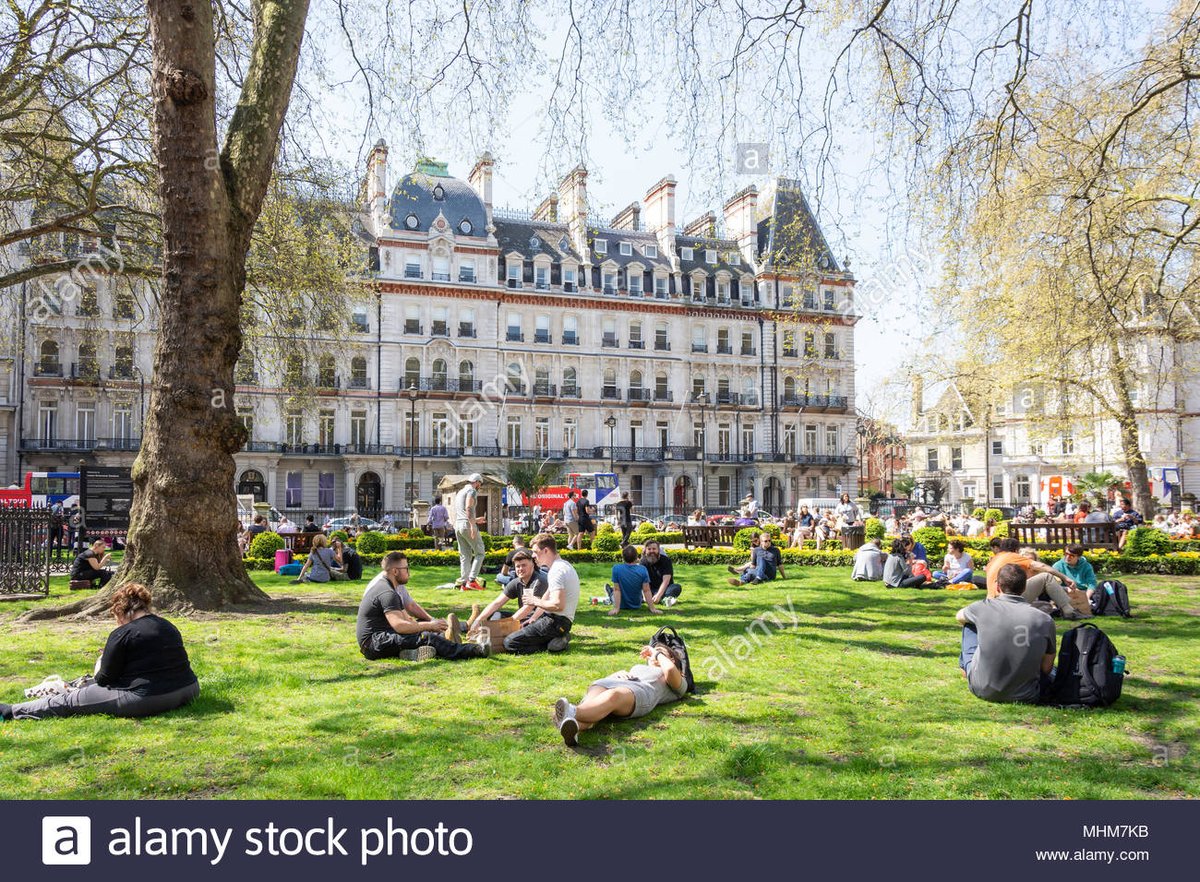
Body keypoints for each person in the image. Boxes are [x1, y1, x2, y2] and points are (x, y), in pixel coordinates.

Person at [2, 583, 199, 721]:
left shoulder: (122, 633)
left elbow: (104, 679)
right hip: (188, 689)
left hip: (149, 697)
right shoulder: (167, 625)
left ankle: (11, 711)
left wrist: (101, 660)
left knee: (69, 701)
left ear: (121, 610)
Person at [356, 552, 489, 661]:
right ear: (395, 571)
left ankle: (414, 651)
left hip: (383, 637)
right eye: (406, 569)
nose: (409, 572)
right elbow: (400, 626)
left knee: (422, 626)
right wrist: (430, 626)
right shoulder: (387, 592)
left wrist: (429, 623)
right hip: (373, 643)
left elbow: (407, 617)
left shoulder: (390, 587)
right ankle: (473, 650)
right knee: (427, 636)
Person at [552, 641, 689, 747]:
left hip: (639, 691)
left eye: (660, 653)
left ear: (671, 659)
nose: (653, 656)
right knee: (595, 697)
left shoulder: (678, 680)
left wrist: (656, 652)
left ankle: (571, 711)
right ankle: (573, 725)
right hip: (613, 682)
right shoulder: (642, 667)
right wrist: (616, 674)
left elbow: (670, 669)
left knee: (614, 696)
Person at [956, 563, 1056, 704]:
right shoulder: (1044, 619)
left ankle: (968, 670)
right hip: (1027, 693)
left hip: (983, 689)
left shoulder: (982, 607)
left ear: (997, 586)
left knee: (969, 624)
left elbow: (959, 616)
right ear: (1024, 587)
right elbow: (1046, 667)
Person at [504, 533, 578, 653]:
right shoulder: (563, 566)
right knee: (521, 630)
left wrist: (534, 600)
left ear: (546, 551)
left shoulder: (556, 571)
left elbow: (558, 605)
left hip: (556, 622)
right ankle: (556, 640)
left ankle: (554, 643)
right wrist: (534, 617)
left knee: (510, 643)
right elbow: (547, 595)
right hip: (557, 621)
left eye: (535, 551)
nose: (533, 555)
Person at [984, 537, 1090, 619]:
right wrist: (1065, 578)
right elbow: (1042, 566)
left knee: (1044, 606)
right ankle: (1069, 612)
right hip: (1006, 601)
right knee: (1046, 577)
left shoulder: (994, 559)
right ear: (1016, 550)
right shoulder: (1013, 556)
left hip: (992, 604)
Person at [470, 548, 548, 626]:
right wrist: (478, 620)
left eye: (524, 565)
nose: (520, 569)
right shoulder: (517, 582)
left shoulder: (539, 581)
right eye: (518, 566)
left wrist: (506, 625)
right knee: (496, 614)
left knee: (502, 627)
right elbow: (497, 603)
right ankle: (474, 624)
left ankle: (489, 630)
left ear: (532, 565)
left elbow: (527, 609)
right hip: (522, 618)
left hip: (537, 620)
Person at [605, 544, 662, 615]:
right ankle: (610, 590)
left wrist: (616, 608)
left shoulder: (616, 568)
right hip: (636, 604)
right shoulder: (642, 569)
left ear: (623, 557)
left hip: (621, 604)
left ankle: (609, 590)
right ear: (636, 557)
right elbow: (646, 590)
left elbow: (617, 590)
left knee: (613, 591)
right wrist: (652, 608)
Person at [453, 474, 487, 589]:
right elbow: (468, 508)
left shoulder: (460, 492)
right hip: (467, 525)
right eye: (480, 484)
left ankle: (464, 583)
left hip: (458, 525)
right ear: (476, 482)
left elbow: (462, 513)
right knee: (480, 552)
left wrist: (476, 520)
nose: (479, 486)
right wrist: (472, 525)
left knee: (465, 555)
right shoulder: (471, 491)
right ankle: (472, 580)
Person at [641, 540, 682, 605]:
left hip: (665, 589)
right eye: (649, 549)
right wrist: (644, 595)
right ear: (646, 551)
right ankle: (665, 600)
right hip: (649, 589)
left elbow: (666, 581)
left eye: (654, 549)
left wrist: (658, 595)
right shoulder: (643, 562)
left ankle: (660, 598)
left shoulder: (666, 561)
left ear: (658, 550)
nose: (652, 551)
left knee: (676, 587)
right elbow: (642, 581)